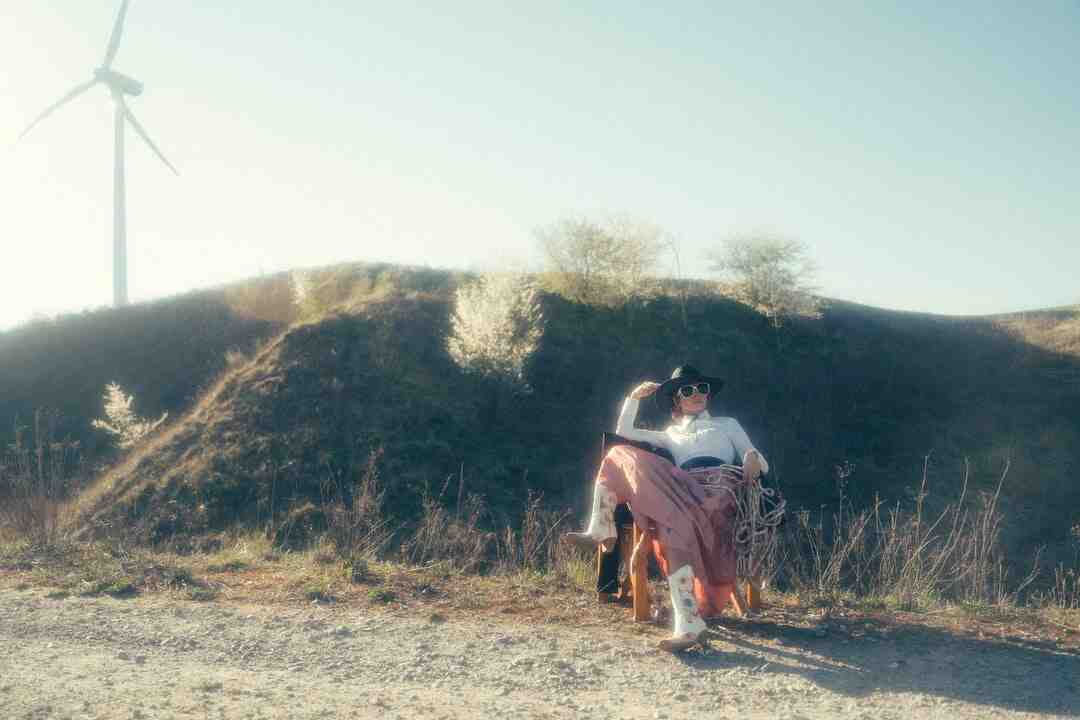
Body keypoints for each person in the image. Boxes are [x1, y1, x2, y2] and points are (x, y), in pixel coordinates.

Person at [563, 365, 771, 652]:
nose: (696, 394)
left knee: (675, 528)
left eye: (702, 388)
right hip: (681, 488)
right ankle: (602, 526)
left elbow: (761, 462)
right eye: (687, 390)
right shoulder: (670, 433)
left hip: (718, 488)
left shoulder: (727, 424)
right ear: (677, 400)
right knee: (618, 453)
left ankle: (689, 624)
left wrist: (750, 457)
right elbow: (624, 432)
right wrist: (633, 399)